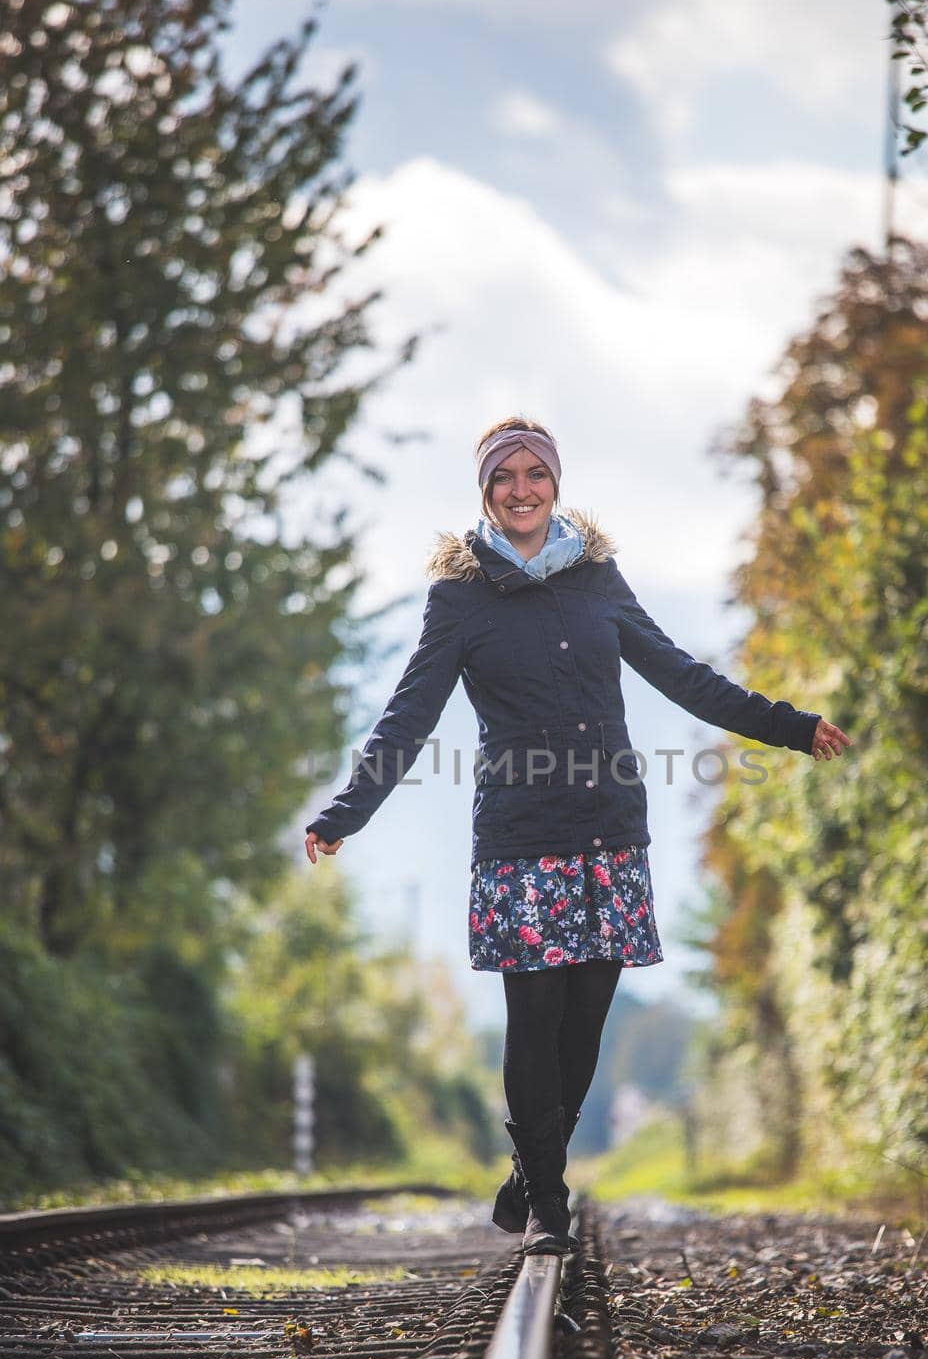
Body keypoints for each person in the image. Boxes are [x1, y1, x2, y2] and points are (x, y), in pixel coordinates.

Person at [304, 416, 852, 1256]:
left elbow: (680, 674)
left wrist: (786, 726)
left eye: (534, 474)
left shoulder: (597, 578)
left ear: (554, 484)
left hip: (607, 831)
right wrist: (346, 811)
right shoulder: (458, 597)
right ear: (483, 491)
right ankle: (546, 1206)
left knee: (584, 1024)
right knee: (534, 1017)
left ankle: (528, 1169)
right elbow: (409, 714)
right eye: (503, 478)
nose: (520, 490)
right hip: (521, 839)